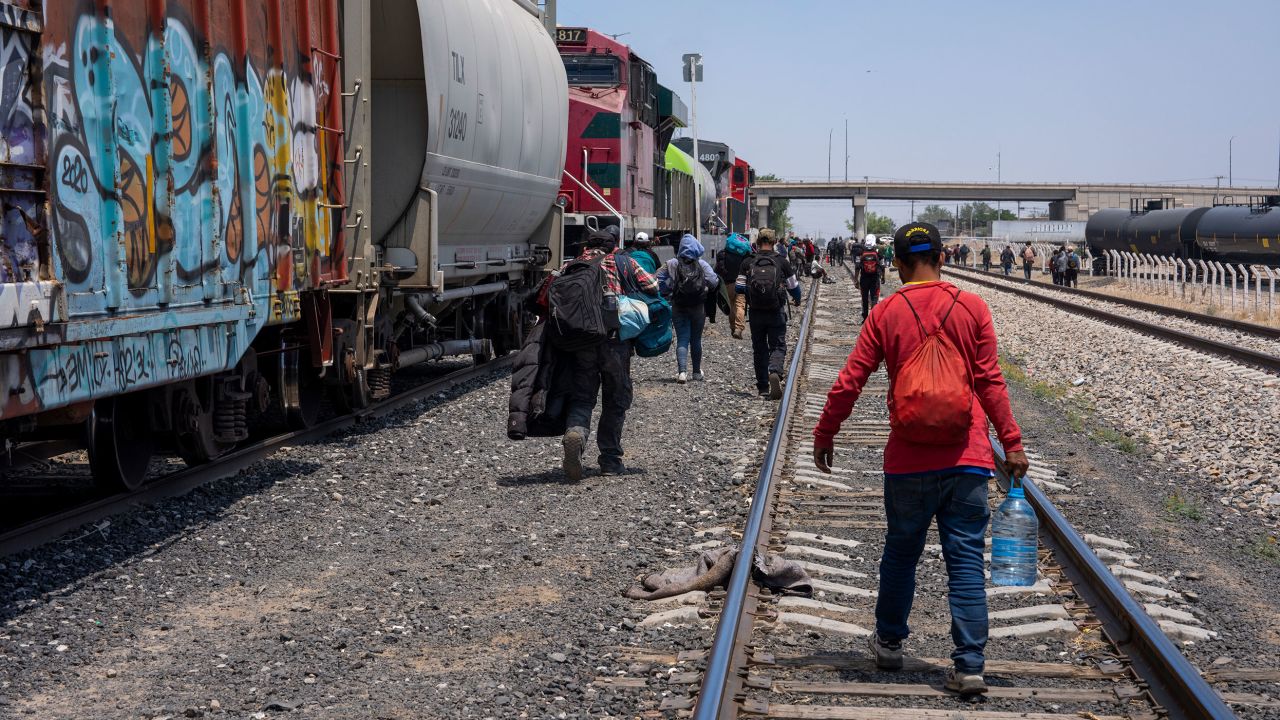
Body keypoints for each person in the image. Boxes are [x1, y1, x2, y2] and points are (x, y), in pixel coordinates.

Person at [811, 221, 1029, 698]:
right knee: (966, 561)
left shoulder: (886, 311)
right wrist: (1010, 442)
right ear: (943, 259)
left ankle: (889, 644)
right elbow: (990, 381)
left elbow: (851, 379)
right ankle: (970, 665)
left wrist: (826, 432)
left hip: (908, 461)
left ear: (897, 263)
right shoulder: (972, 307)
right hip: (968, 458)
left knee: (901, 553)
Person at [543, 232, 659, 481]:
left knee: (583, 397)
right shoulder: (623, 262)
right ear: (614, 246)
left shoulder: (570, 265)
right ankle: (610, 460)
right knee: (616, 399)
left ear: (586, 246)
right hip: (615, 342)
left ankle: (575, 434)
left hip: (581, 343)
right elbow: (653, 286)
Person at [735, 229, 802, 400]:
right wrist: (797, 299)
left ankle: (763, 386)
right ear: (773, 243)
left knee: (759, 349)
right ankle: (775, 371)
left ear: (758, 243)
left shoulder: (748, 261)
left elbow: (739, 288)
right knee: (778, 345)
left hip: (756, 312)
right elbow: (793, 286)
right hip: (776, 311)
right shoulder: (781, 261)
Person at [657, 234, 719, 383]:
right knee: (696, 340)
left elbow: (656, 279)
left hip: (678, 305)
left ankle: (682, 372)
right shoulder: (702, 264)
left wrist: (669, 288)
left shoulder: (671, 263)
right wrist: (703, 287)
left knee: (682, 339)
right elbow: (714, 281)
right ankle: (696, 373)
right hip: (698, 307)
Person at [715, 232, 752, 338]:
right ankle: (739, 328)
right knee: (740, 305)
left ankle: (732, 328)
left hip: (728, 283)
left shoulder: (722, 254)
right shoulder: (745, 255)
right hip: (741, 282)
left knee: (731, 305)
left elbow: (718, 269)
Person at [855, 237, 883, 322]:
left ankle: (865, 318)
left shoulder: (861, 252)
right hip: (875, 279)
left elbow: (857, 267)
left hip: (864, 279)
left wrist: (856, 280)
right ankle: (873, 318)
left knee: (864, 298)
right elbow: (882, 266)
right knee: (874, 298)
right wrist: (883, 277)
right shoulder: (877, 252)